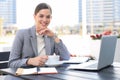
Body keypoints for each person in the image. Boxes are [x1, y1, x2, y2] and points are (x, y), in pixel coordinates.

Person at [8, 3, 70, 68]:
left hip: (47, 75)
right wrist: (30, 61)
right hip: (26, 76)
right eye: (41, 16)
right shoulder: (22, 34)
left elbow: (66, 57)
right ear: (34, 17)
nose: (45, 20)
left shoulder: (51, 36)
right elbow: (12, 63)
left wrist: (54, 36)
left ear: (51, 18)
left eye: (48, 17)